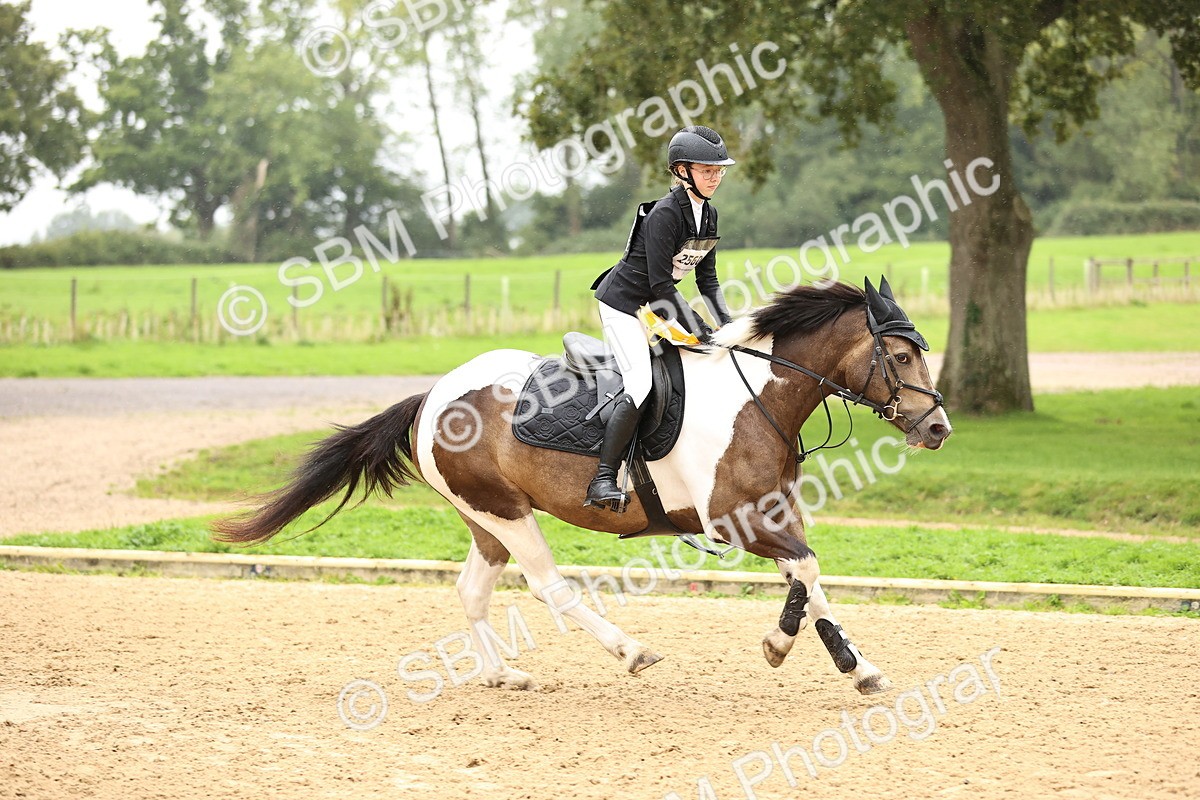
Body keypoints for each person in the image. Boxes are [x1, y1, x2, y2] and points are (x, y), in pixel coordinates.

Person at [583, 125, 737, 512]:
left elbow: (708, 279)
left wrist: (729, 326)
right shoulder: (666, 214)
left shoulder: (709, 215)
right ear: (682, 171)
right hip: (625, 306)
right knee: (639, 384)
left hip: (655, 306)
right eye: (707, 170)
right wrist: (699, 329)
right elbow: (660, 285)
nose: (715, 177)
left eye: (719, 171)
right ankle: (603, 478)